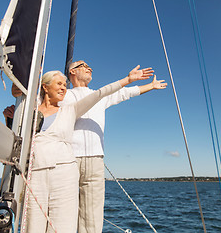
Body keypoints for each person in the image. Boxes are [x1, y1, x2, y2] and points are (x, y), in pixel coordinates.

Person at [6, 67, 159, 233]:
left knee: (72, 221)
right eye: (59, 83)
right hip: (45, 167)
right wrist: (18, 95)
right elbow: (26, 111)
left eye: (64, 84)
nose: (63, 87)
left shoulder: (77, 105)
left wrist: (133, 82)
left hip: (72, 166)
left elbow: (108, 93)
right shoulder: (46, 104)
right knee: (33, 222)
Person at [62, 60, 167, 233]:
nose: (90, 67)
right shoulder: (64, 95)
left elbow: (126, 93)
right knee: (63, 210)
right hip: (67, 158)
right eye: (84, 65)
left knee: (92, 217)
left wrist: (151, 85)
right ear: (72, 71)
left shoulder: (100, 95)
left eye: (90, 66)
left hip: (95, 161)